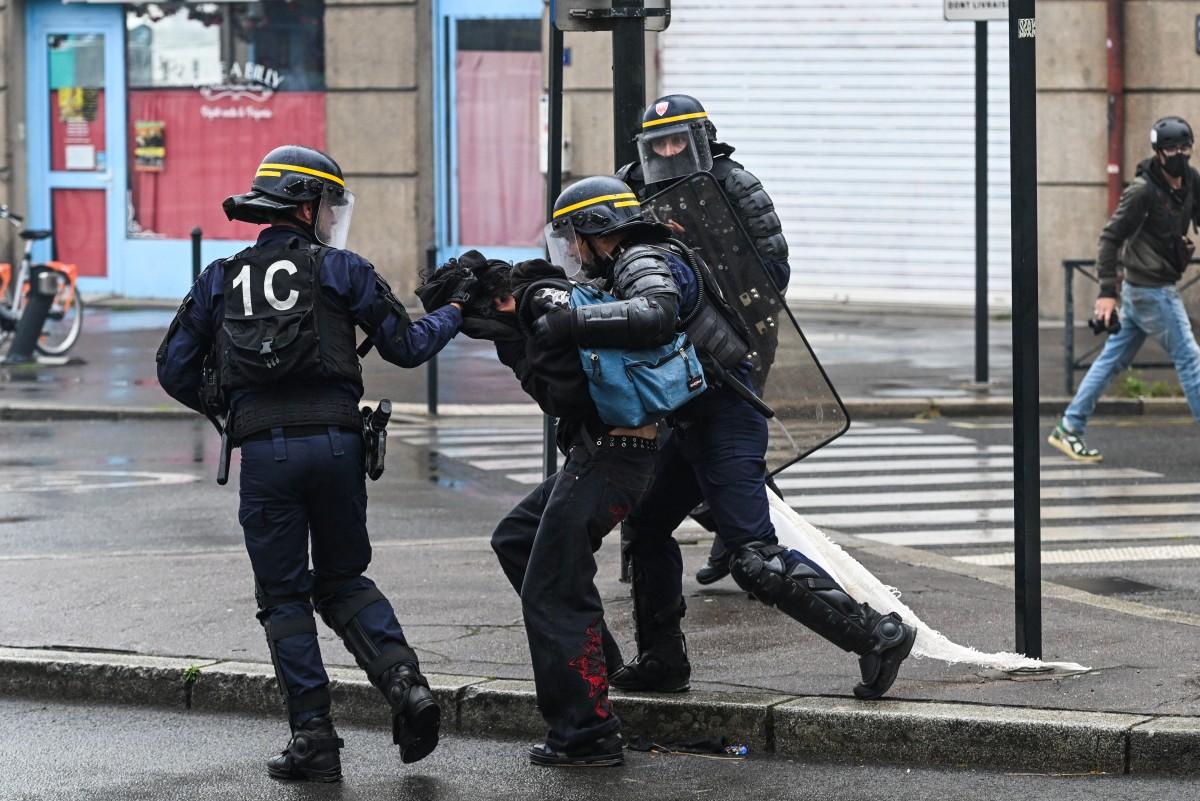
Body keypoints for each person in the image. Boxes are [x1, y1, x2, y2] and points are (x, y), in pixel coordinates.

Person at [157, 145, 475, 781]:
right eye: (327, 204)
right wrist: (456, 312)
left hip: (266, 457)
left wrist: (227, 409)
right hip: (336, 447)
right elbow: (408, 346)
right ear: (305, 205)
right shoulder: (344, 270)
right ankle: (406, 685)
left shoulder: (220, 277)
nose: (330, 217)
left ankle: (314, 742)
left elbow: (172, 369)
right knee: (343, 580)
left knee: (284, 598)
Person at [426, 176, 692, 766]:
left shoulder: (540, 301)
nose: (571, 251)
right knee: (517, 539)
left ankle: (586, 733)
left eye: (576, 238)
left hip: (615, 455)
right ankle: (601, 665)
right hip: (605, 454)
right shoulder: (533, 304)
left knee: (553, 588)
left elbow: (574, 372)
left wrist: (527, 336)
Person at [617, 94, 791, 586]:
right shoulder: (631, 183)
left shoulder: (736, 183)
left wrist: (732, 312)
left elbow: (774, 267)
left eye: (679, 140)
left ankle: (754, 549)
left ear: (702, 139)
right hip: (668, 333)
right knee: (678, 444)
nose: (670, 151)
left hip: (738, 331)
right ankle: (739, 537)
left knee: (727, 436)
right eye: (660, 143)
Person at [1050, 117, 1200, 462]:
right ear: (1158, 153)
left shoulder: (1190, 180)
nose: (1179, 154)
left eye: (1184, 147)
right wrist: (1105, 292)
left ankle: (1068, 428)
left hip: (1144, 291)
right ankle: (1069, 426)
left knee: (1110, 360)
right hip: (1152, 290)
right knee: (1190, 359)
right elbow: (1110, 238)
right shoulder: (1143, 191)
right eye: (1171, 149)